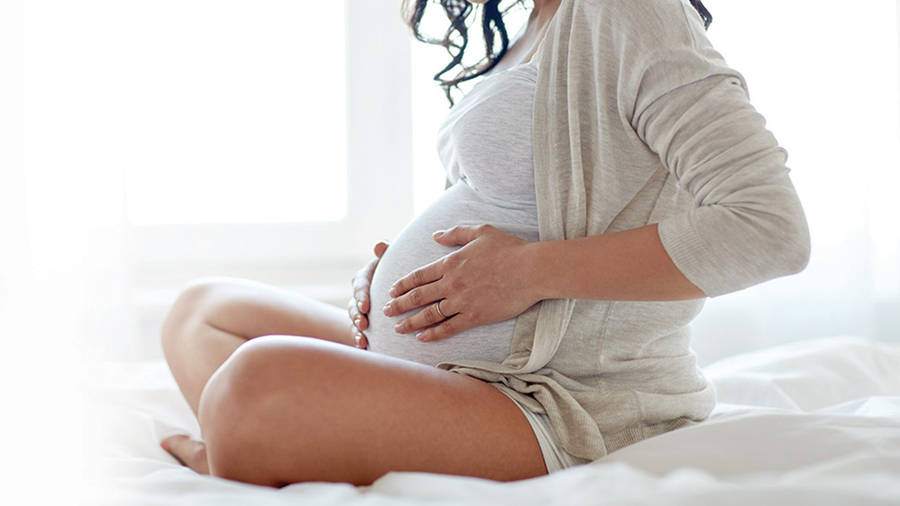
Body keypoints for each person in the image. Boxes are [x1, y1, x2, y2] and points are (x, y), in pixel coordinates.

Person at [159, 0, 810, 488]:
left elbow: (768, 228)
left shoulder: (629, 11)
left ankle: (231, 449)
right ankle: (271, 440)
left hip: (555, 397)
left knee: (251, 387)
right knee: (202, 310)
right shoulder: (534, 26)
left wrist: (527, 272)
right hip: (448, 369)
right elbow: (511, 212)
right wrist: (391, 280)